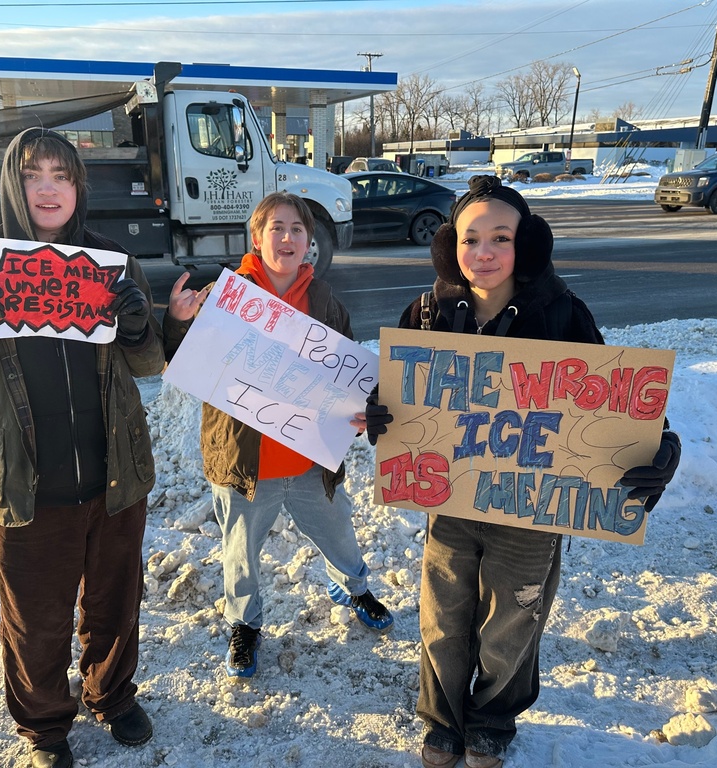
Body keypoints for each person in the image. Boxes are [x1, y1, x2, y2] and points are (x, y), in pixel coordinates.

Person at [365, 175, 681, 768]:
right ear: (450, 245)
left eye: (500, 237)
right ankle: (442, 720)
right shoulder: (427, 311)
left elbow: (615, 401)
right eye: (469, 238)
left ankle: (491, 720)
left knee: (512, 620)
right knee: (443, 614)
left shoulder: (561, 311)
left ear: (526, 244)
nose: (483, 253)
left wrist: (662, 448)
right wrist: (383, 413)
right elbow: (393, 391)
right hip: (451, 498)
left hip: (531, 507)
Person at [0, 128, 165, 768]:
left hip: (116, 474)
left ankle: (110, 694)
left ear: (78, 187)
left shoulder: (113, 261)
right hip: (28, 482)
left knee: (116, 603)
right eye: (35, 175)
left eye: (62, 175)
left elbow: (148, 364)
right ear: (13, 185)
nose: (50, 187)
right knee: (37, 620)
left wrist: (141, 325)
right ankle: (45, 725)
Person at [163, 191, 394, 679]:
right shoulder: (228, 296)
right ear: (257, 237)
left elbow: (350, 373)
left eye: (297, 229)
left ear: (309, 241)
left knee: (340, 532)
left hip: (310, 460)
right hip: (245, 461)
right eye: (276, 227)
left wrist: (362, 409)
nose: (286, 237)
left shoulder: (325, 301)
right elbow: (182, 363)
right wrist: (177, 325)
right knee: (240, 552)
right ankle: (244, 624)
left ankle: (353, 586)